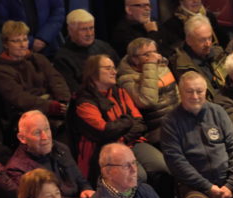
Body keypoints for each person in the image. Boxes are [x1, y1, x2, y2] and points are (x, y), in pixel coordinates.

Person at [159, 72, 233, 198]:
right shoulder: (170, 122)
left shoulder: (217, 111)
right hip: (195, 186)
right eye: (189, 91)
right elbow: (177, 163)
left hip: (229, 179)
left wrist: (231, 183)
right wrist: (208, 187)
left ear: (205, 91)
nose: (195, 96)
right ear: (180, 92)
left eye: (199, 91)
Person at [73, 53, 163, 185]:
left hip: (131, 141)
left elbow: (139, 122)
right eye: (108, 68)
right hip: (105, 150)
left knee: (162, 167)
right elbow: (105, 131)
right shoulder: (83, 101)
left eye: (114, 68)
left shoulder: (120, 92)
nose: (114, 72)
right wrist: (127, 121)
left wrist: (124, 136)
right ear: (93, 73)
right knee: (139, 176)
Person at [6, 110, 94, 198]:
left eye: (47, 129)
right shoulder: (17, 169)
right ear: (22, 138)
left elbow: (80, 180)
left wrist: (87, 190)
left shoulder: (60, 148)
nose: (45, 136)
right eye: (37, 132)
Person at [0, 21, 72, 128]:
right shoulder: (2, 70)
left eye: (25, 40)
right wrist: (49, 106)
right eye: (16, 41)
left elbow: (56, 79)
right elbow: (19, 98)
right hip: (25, 113)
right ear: (6, 44)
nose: (22, 45)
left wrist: (63, 100)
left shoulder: (38, 58)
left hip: (51, 104)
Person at [117, 38, 178, 146]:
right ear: (135, 59)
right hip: (157, 131)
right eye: (147, 54)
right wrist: (150, 65)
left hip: (178, 121)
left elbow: (176, 93)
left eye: (155, 52)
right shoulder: (126, 79)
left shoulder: (162, 67)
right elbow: (147, 101)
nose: (154, 57)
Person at [52, 9, 120, 93]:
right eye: (83, 29)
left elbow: (119, 71)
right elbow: (73, 90)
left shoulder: (103, 46)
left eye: (91, 28)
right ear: (70, 30)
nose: (89, 33)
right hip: (88, 100)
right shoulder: (62, 59)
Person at [170, 15, 226, 98]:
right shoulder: (181, 64)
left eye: (210, 38)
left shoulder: (218, 52)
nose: (208, 44)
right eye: (202, 40)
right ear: (189, 41)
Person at [0, 0, 66, 57]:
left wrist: (43, 38)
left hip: (49, 46)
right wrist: (28, 41)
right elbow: (1, 21)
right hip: (18, 51)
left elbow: (58, 13)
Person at [159, 0, 224, 55]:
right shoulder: (171, 25)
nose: (195, 1)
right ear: (181, 1)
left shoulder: (210, 16)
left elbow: (223, 41)